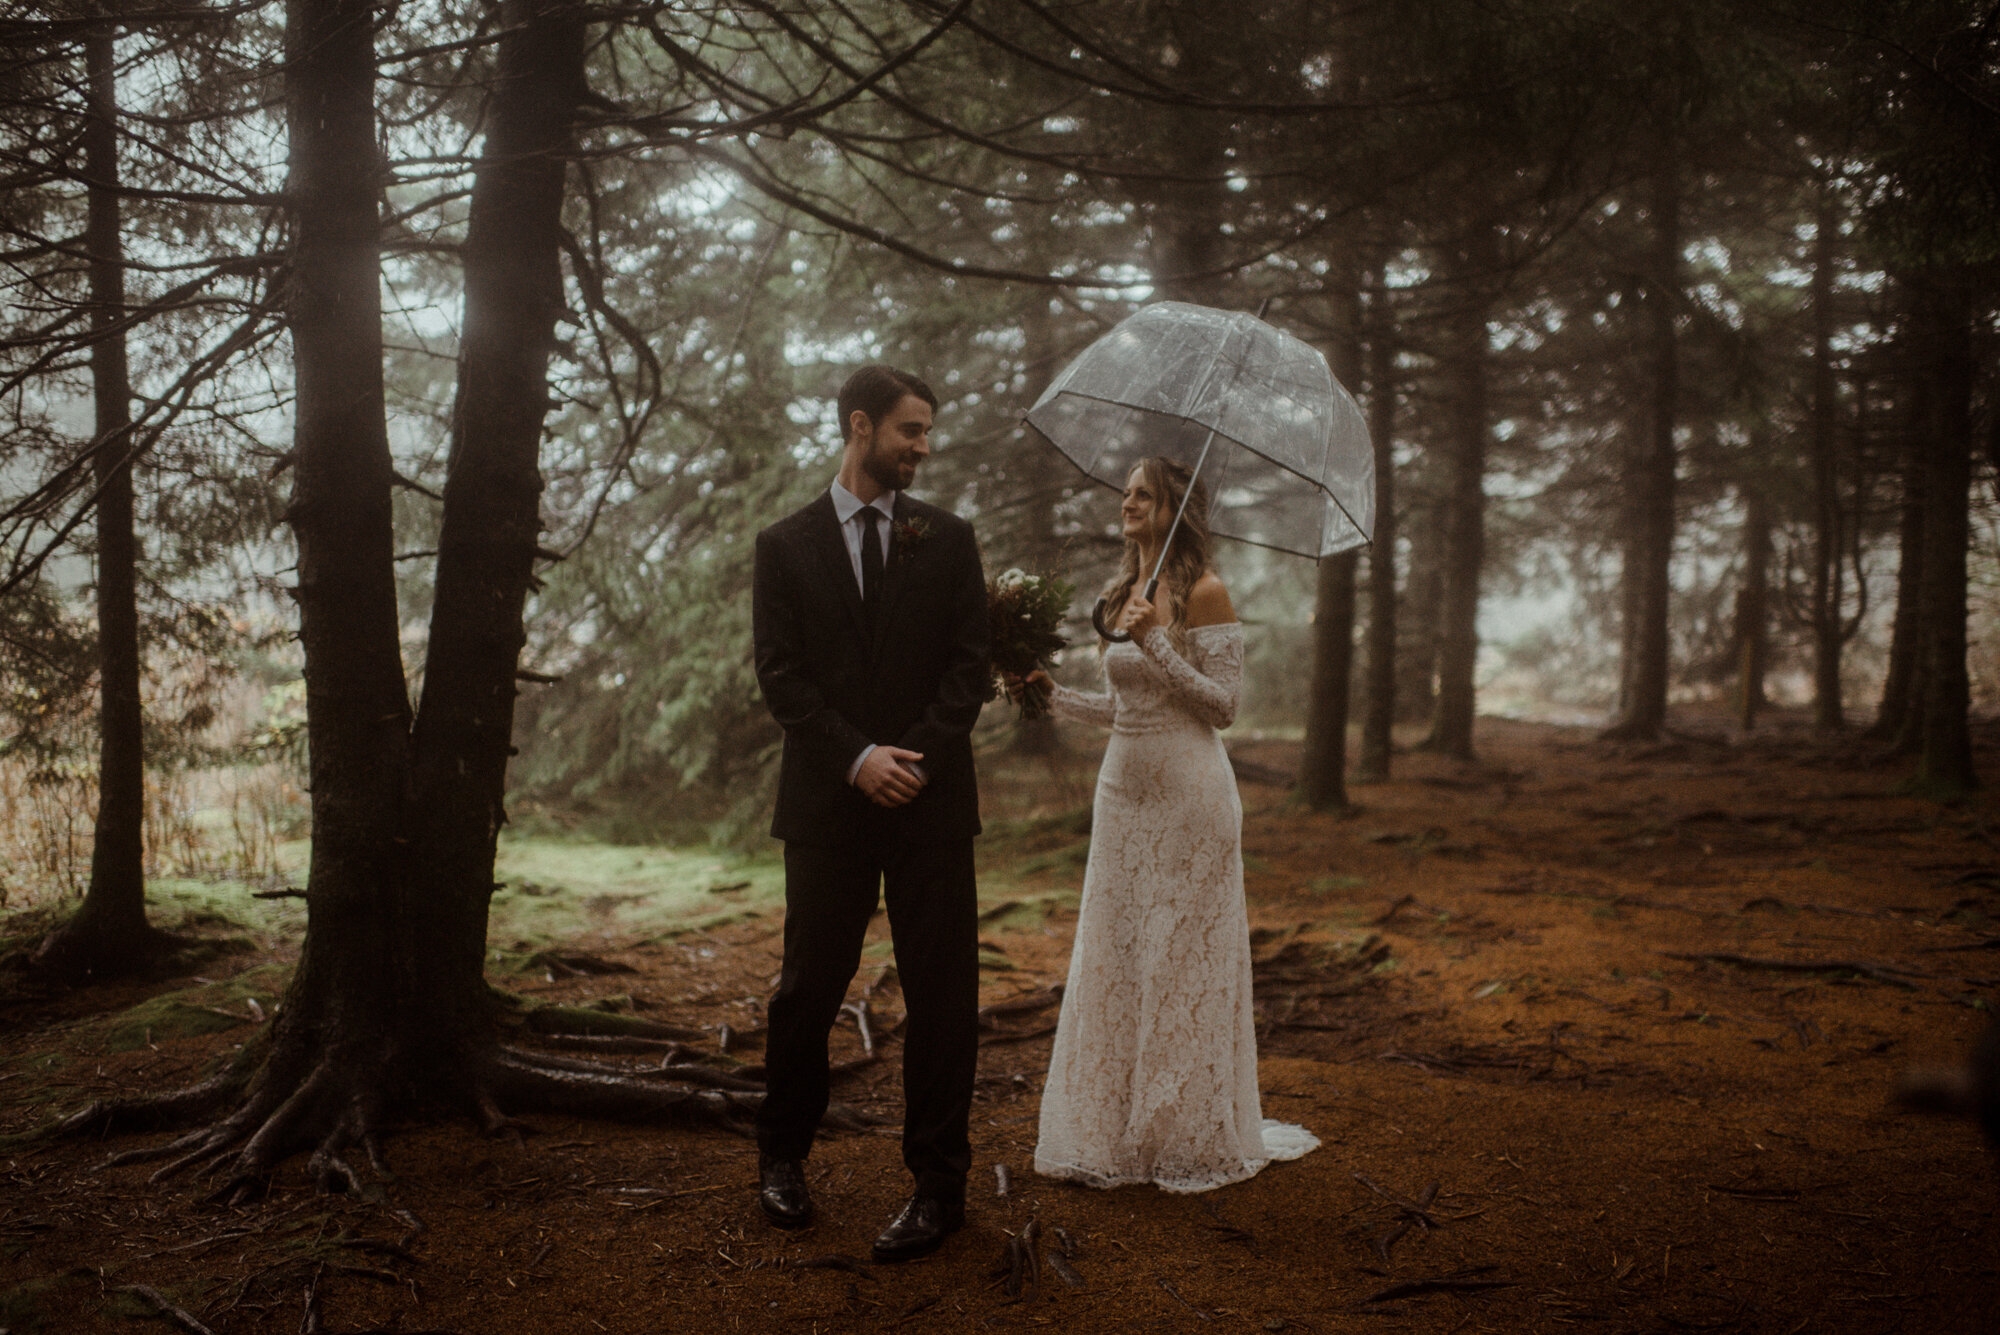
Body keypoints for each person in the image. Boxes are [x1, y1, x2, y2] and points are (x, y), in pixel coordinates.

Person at [1009, 457, 1320, 1193]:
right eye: (1125, 491)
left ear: (1176, 506)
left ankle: (1185, 1131)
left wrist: (1156, 642)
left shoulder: (1204, 592)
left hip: (1190, 796)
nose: (1128, 501)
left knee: (1179, 959)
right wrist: (1052, 694)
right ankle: (1118, 1132)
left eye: (1143, 492)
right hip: (1121, 795)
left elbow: (1224, 705)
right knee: (1117, 953)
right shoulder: (1119, 595)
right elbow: (1125, 709)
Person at [750, 365, 990, 1260]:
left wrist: (910, 761)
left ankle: (939, 1185)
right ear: (862, 427)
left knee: (943, 999)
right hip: (827, 805)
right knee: (807, 989)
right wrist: (857, 759)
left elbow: (970, 666)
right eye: (911, 431)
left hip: (930, 806)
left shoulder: (951, 539)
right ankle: (781, 1157)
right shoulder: (783, 544)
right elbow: (781, 676)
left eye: (927, 432)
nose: (924, 447)